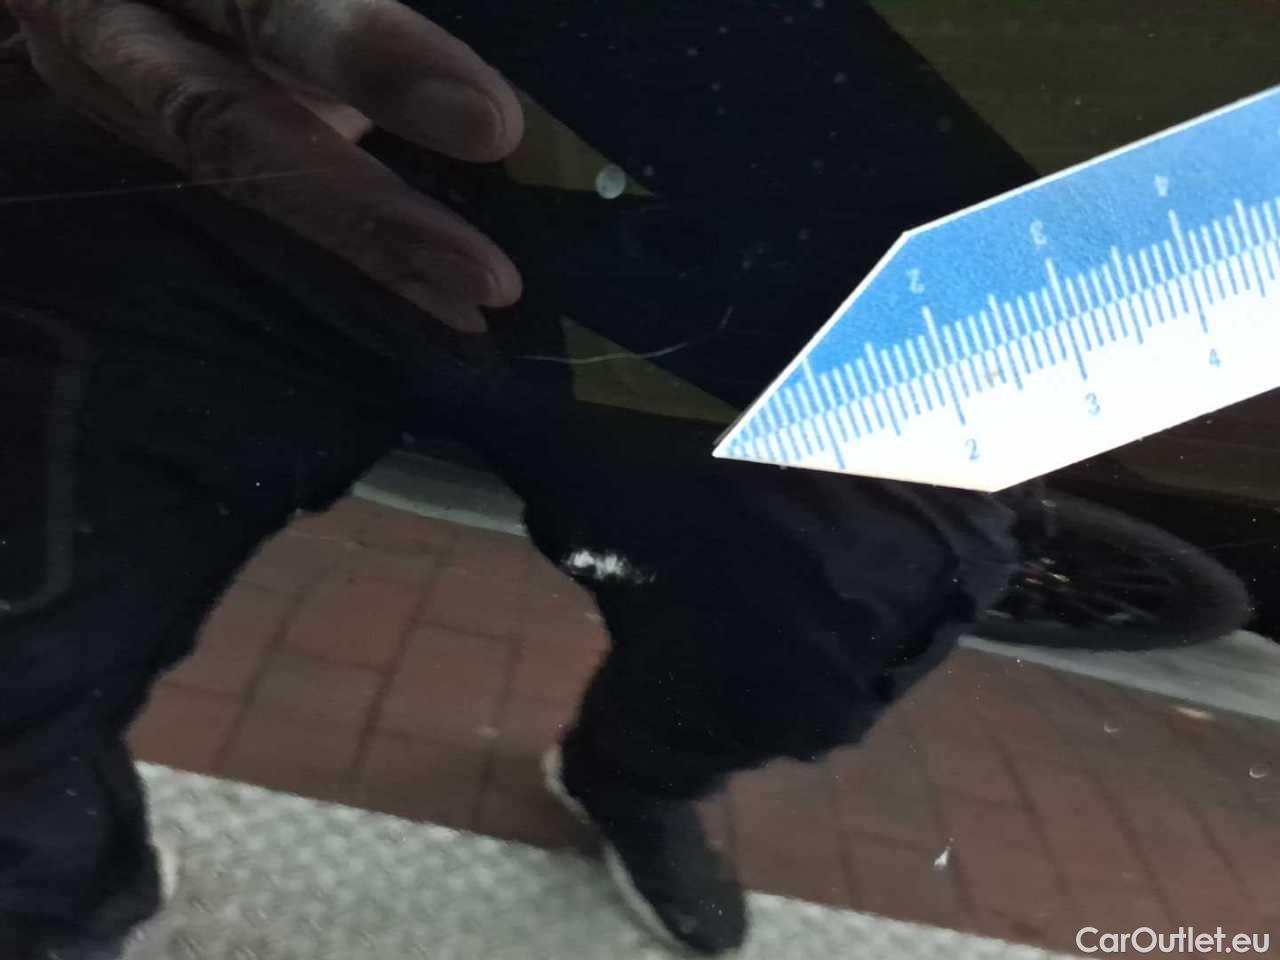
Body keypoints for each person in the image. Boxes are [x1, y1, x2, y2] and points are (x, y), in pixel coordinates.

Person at [0, 1, 1033, 956]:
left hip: (779, 253)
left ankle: (625, 780)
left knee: (843, 612)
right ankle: (53, 893)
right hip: (209, 152)